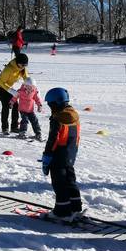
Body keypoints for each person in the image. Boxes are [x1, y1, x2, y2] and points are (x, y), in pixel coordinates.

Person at [40, 87, 83, 222]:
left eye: (50, 104)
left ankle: (61, 211)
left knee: (59, 184)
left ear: (56, 103)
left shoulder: (57, 118)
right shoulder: (74, 115)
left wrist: (47, 156)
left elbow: (53, 139)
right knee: (70, 180)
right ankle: (75, 207)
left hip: (58, 154)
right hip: (70, 154)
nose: (49, 107)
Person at [0, 53, 29, 134]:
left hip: (8, 87)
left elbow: (27, 79)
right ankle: (5, 128)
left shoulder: (22, 68)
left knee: (15, 105)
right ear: (17, 62)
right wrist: (11, 91)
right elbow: (1, 82)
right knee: (6, 105)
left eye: (25, 65)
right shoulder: (8, 69)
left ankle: (14, 127)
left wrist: (31, 87)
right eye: (22, 65)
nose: (23, 67)